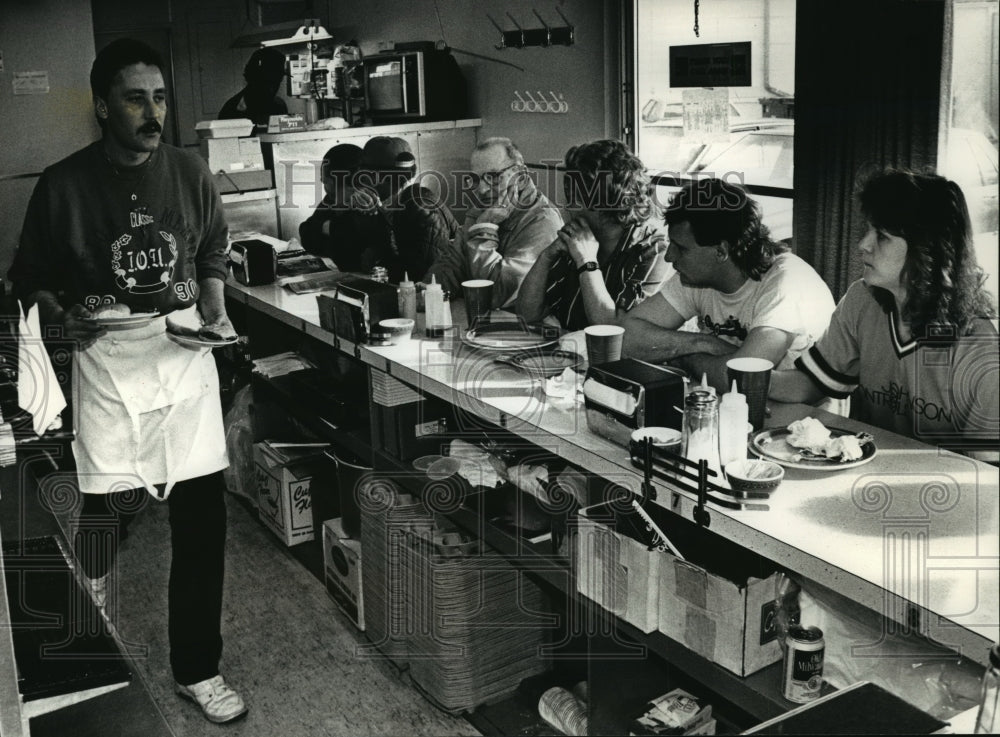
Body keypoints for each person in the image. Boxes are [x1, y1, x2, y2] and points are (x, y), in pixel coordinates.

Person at [7, 38, 247, 723]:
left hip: (182, 358)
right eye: (136, 98)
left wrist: (216, 307)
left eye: (161, 97)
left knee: (202, 526)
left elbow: (211, 252)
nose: (153, 113)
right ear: (102, 105)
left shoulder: (191, 171)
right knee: (104, 525)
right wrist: (61, 315)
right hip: (108, 361)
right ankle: (91, 646)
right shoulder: (63, 184)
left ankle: (197, 668)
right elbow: (30, 280)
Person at [770, 169, 999, 456]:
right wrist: (740, 373)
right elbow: (808, 385)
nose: (863, 244)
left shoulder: (982, 342)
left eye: (882, 235)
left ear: (927, 249)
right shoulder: (862, 300)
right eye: (868, 230)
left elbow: (986, 474)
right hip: (863, 480)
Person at [620, 178, 835, 392]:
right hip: (733, 408)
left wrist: (685, 359)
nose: (668, 257)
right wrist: (702, 344)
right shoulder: (695, 278)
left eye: (681, 248)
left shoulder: (786, 284)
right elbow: (626, 337)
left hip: (801, 420)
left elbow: (743, 381)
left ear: (721, 251)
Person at [516, 139, 671, 330]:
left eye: (576, 199)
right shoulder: (577, 238)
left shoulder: (653, 249)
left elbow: (613, 330)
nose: (568, 207)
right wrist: (546, 257)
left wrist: (587, 262)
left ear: (607, 203)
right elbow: (527, 314)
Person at [423, 137, 563, 309]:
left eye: (494, 177)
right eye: (476, 179)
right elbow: (453, 263)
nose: (481, 189)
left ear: (521, 177)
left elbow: (498, 295)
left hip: (527, 327)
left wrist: (485, 228)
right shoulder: (483, 208)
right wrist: (429, 290)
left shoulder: (543, 220)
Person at [347, 136, 459, 282]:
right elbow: (352, 255)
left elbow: (424, 275)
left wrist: (379, 260)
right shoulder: (387, 207)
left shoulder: (421, 207)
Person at [298, 142, 366, 271]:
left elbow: (352, 247)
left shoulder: (370, 204)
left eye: (325, 181)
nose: (324, 185)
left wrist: (330, 228)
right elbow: (306, 233)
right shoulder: (331, 199)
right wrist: (328, 228)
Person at [218, 46, 287, 126]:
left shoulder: (279, 106)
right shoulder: (231, 109)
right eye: (267, 81)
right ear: (252, 78)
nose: (272, 88)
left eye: (277, 81)